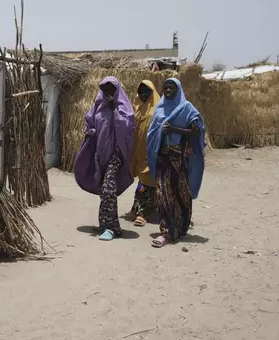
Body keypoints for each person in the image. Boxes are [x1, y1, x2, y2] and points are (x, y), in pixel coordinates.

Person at [73, 76, 135, 241]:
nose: (108, 92)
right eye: (105, 89)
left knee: (108, 190)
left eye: (111, 89)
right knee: (106, 191)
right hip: (100, 154)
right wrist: (90, 131)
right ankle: (111, 225)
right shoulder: (98, 107)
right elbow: (90, 122)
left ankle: (108, 227)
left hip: (116, 154)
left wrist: (115, 108)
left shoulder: (123, 108)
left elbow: (128, 125)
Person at [146, 78, 205, 248]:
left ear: (178, 89)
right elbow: (152, 132)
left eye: (172, 87)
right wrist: (161, 133)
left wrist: (173, 129)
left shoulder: (186, 108)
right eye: (166, 87)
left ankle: (181, 227)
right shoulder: (160, 108)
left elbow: (196, 130)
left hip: (180, 160)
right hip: (162, 158)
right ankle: (167, 232)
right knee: (163, 195)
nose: (168, 90)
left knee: (181, 195)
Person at [128, 80, 161, 227]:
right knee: (146, 180)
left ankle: (142, 213)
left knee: (147, 181)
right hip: (138, 151)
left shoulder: (158, 109)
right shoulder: (137, 107)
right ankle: (143, 210)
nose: (143, 94)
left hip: (153, 151)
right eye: (141, 90)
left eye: (146, 91)